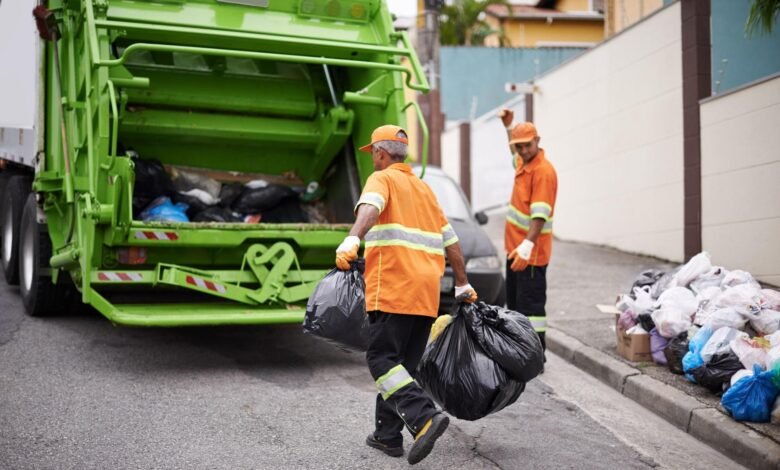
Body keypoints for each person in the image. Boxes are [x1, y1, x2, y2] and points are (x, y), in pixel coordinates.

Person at [335, 124, 477, 465]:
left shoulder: (382, 179)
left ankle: (424, 416)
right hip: (425, 295)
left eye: (373, 155)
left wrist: (353, 238)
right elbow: (452, 243)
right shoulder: (426, 191)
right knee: (401, 368)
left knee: (381, 360)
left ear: (382, 154)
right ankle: (387, 437)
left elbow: (369, 208)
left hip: (393, 288)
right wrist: (462, 283)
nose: (373, 160)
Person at [499, 109, 558, 351]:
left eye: (527, 145)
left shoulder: (543, 172)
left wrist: (526, 246)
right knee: (515, 305)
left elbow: (539, 216)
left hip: (530, 255)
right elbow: (514, 152)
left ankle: (535, 355)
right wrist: (508, 127)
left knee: (531, 309)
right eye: (519, 146)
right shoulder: (524, 164)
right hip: (516, 251)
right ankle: (519, 351)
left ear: (538, 142)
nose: (522, 151)